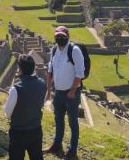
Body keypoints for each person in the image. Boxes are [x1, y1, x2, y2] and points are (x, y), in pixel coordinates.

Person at [43, 26, 84, 160]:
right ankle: (57, 145)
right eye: (57, 36)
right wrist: (49, 91)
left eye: (62, 36)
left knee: (73, 122)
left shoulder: (74, 50)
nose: (60, 38)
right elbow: (50, 71)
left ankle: (72, 151)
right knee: (58, 120)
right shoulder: (54, 49)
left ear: (68, 36)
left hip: (71, 93)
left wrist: (72, 91)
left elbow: (80, 73)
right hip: (58, 93)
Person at [4, 54, 46, 160]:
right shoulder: (42, 84)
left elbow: (7, 113)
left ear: (20, 69)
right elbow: (41, 104)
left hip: (18, 132)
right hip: (36, 129)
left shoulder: (16, 89)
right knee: (37, 157)